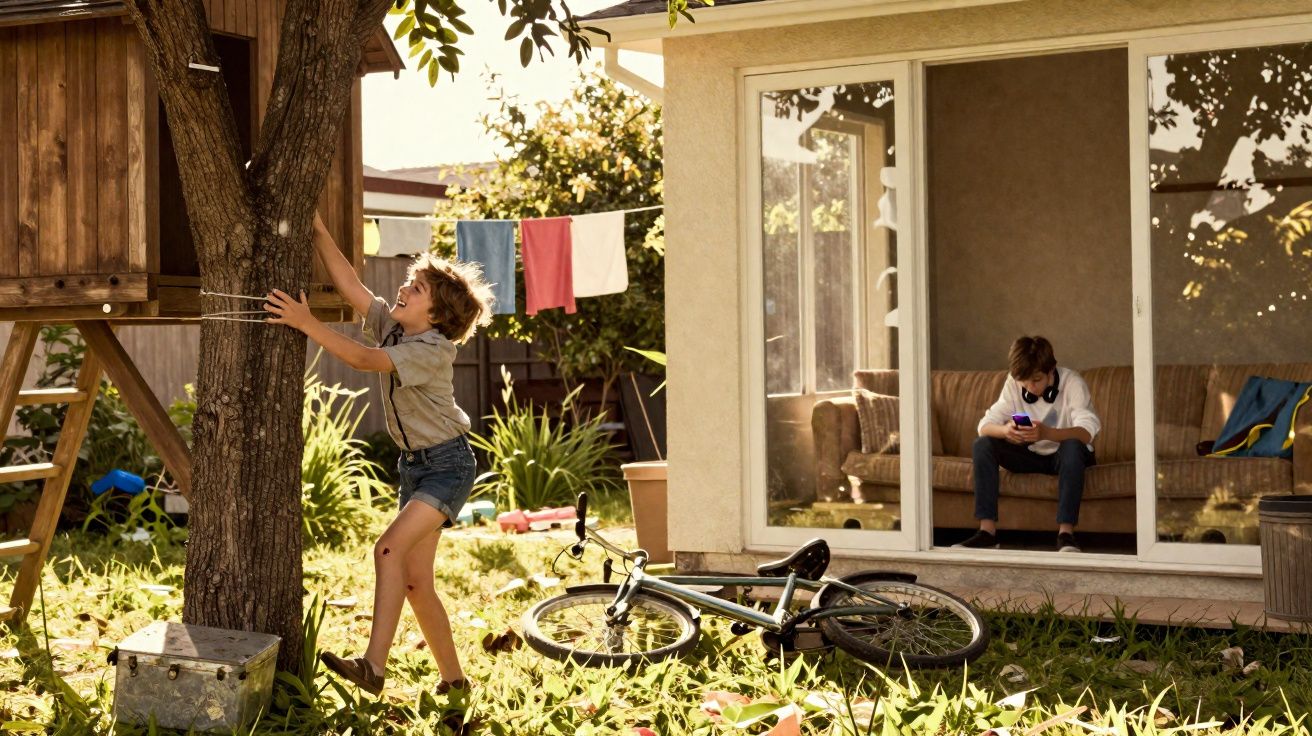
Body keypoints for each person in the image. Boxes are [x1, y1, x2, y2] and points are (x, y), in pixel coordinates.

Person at [264, 214, 493, 696]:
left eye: (417, 287)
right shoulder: (395, 329)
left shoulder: (431, 348)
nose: (404, 287)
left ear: (435, 316)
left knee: (387, 550)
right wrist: (319, 230)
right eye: (410, 280)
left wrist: (305, 322)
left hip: (447, 466)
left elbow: (364, 361)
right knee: (416, 583)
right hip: (416, 468)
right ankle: (455, 683)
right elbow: (350, 286)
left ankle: (373, 666)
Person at [954, 336, 1100, 553]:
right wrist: (1006, 431)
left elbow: (1087, 432)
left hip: (1068, 457)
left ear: (1051, 371)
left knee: (1072, 445)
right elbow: (984, 425)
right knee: (983, 444)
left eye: (1037, 380)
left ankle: (1066, 535)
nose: (1030, 388)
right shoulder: (1014, 383)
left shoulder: (1072, 383)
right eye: (1024, 382)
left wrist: (1047, 433)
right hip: (1031, 455)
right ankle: (987, 532)